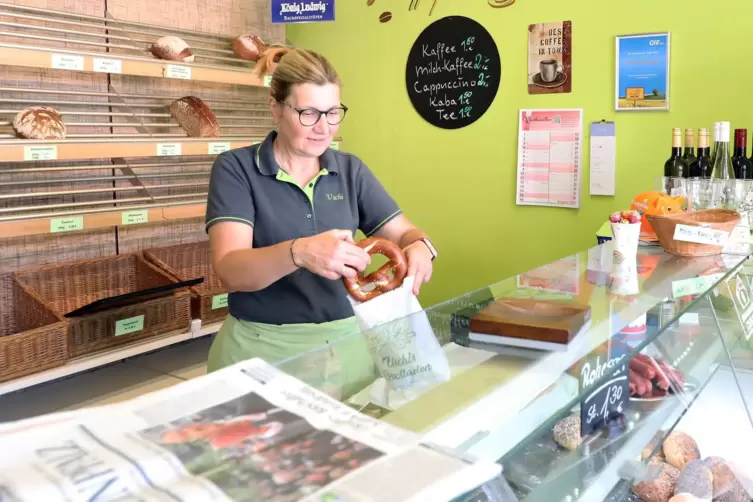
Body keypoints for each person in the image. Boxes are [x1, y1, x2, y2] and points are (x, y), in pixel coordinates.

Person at [205, 49, 437, 386]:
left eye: (332, 112)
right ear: (276, 109)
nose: (323, 128)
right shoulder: (236, 169)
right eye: (309, 113)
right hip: (262, 352)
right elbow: (230, 270)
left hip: (349, 348)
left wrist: (421, 247)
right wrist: (298, 252)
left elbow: (404, 233)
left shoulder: (349, 170)